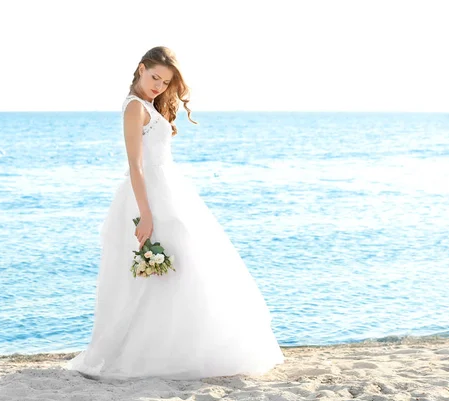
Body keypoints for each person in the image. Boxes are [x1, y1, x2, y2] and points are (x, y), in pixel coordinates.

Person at [66, 46, 285, 380]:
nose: (159, 86)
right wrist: (146, 214)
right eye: (155, 77)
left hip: (168, 192)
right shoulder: (134, 108)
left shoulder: (150, 107)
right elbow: (136, 166)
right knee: (160, 273)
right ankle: (149, 354)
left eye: (165, 82)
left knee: (181, 270)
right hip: (149, 198)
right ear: (140, 69)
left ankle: (181, 349)